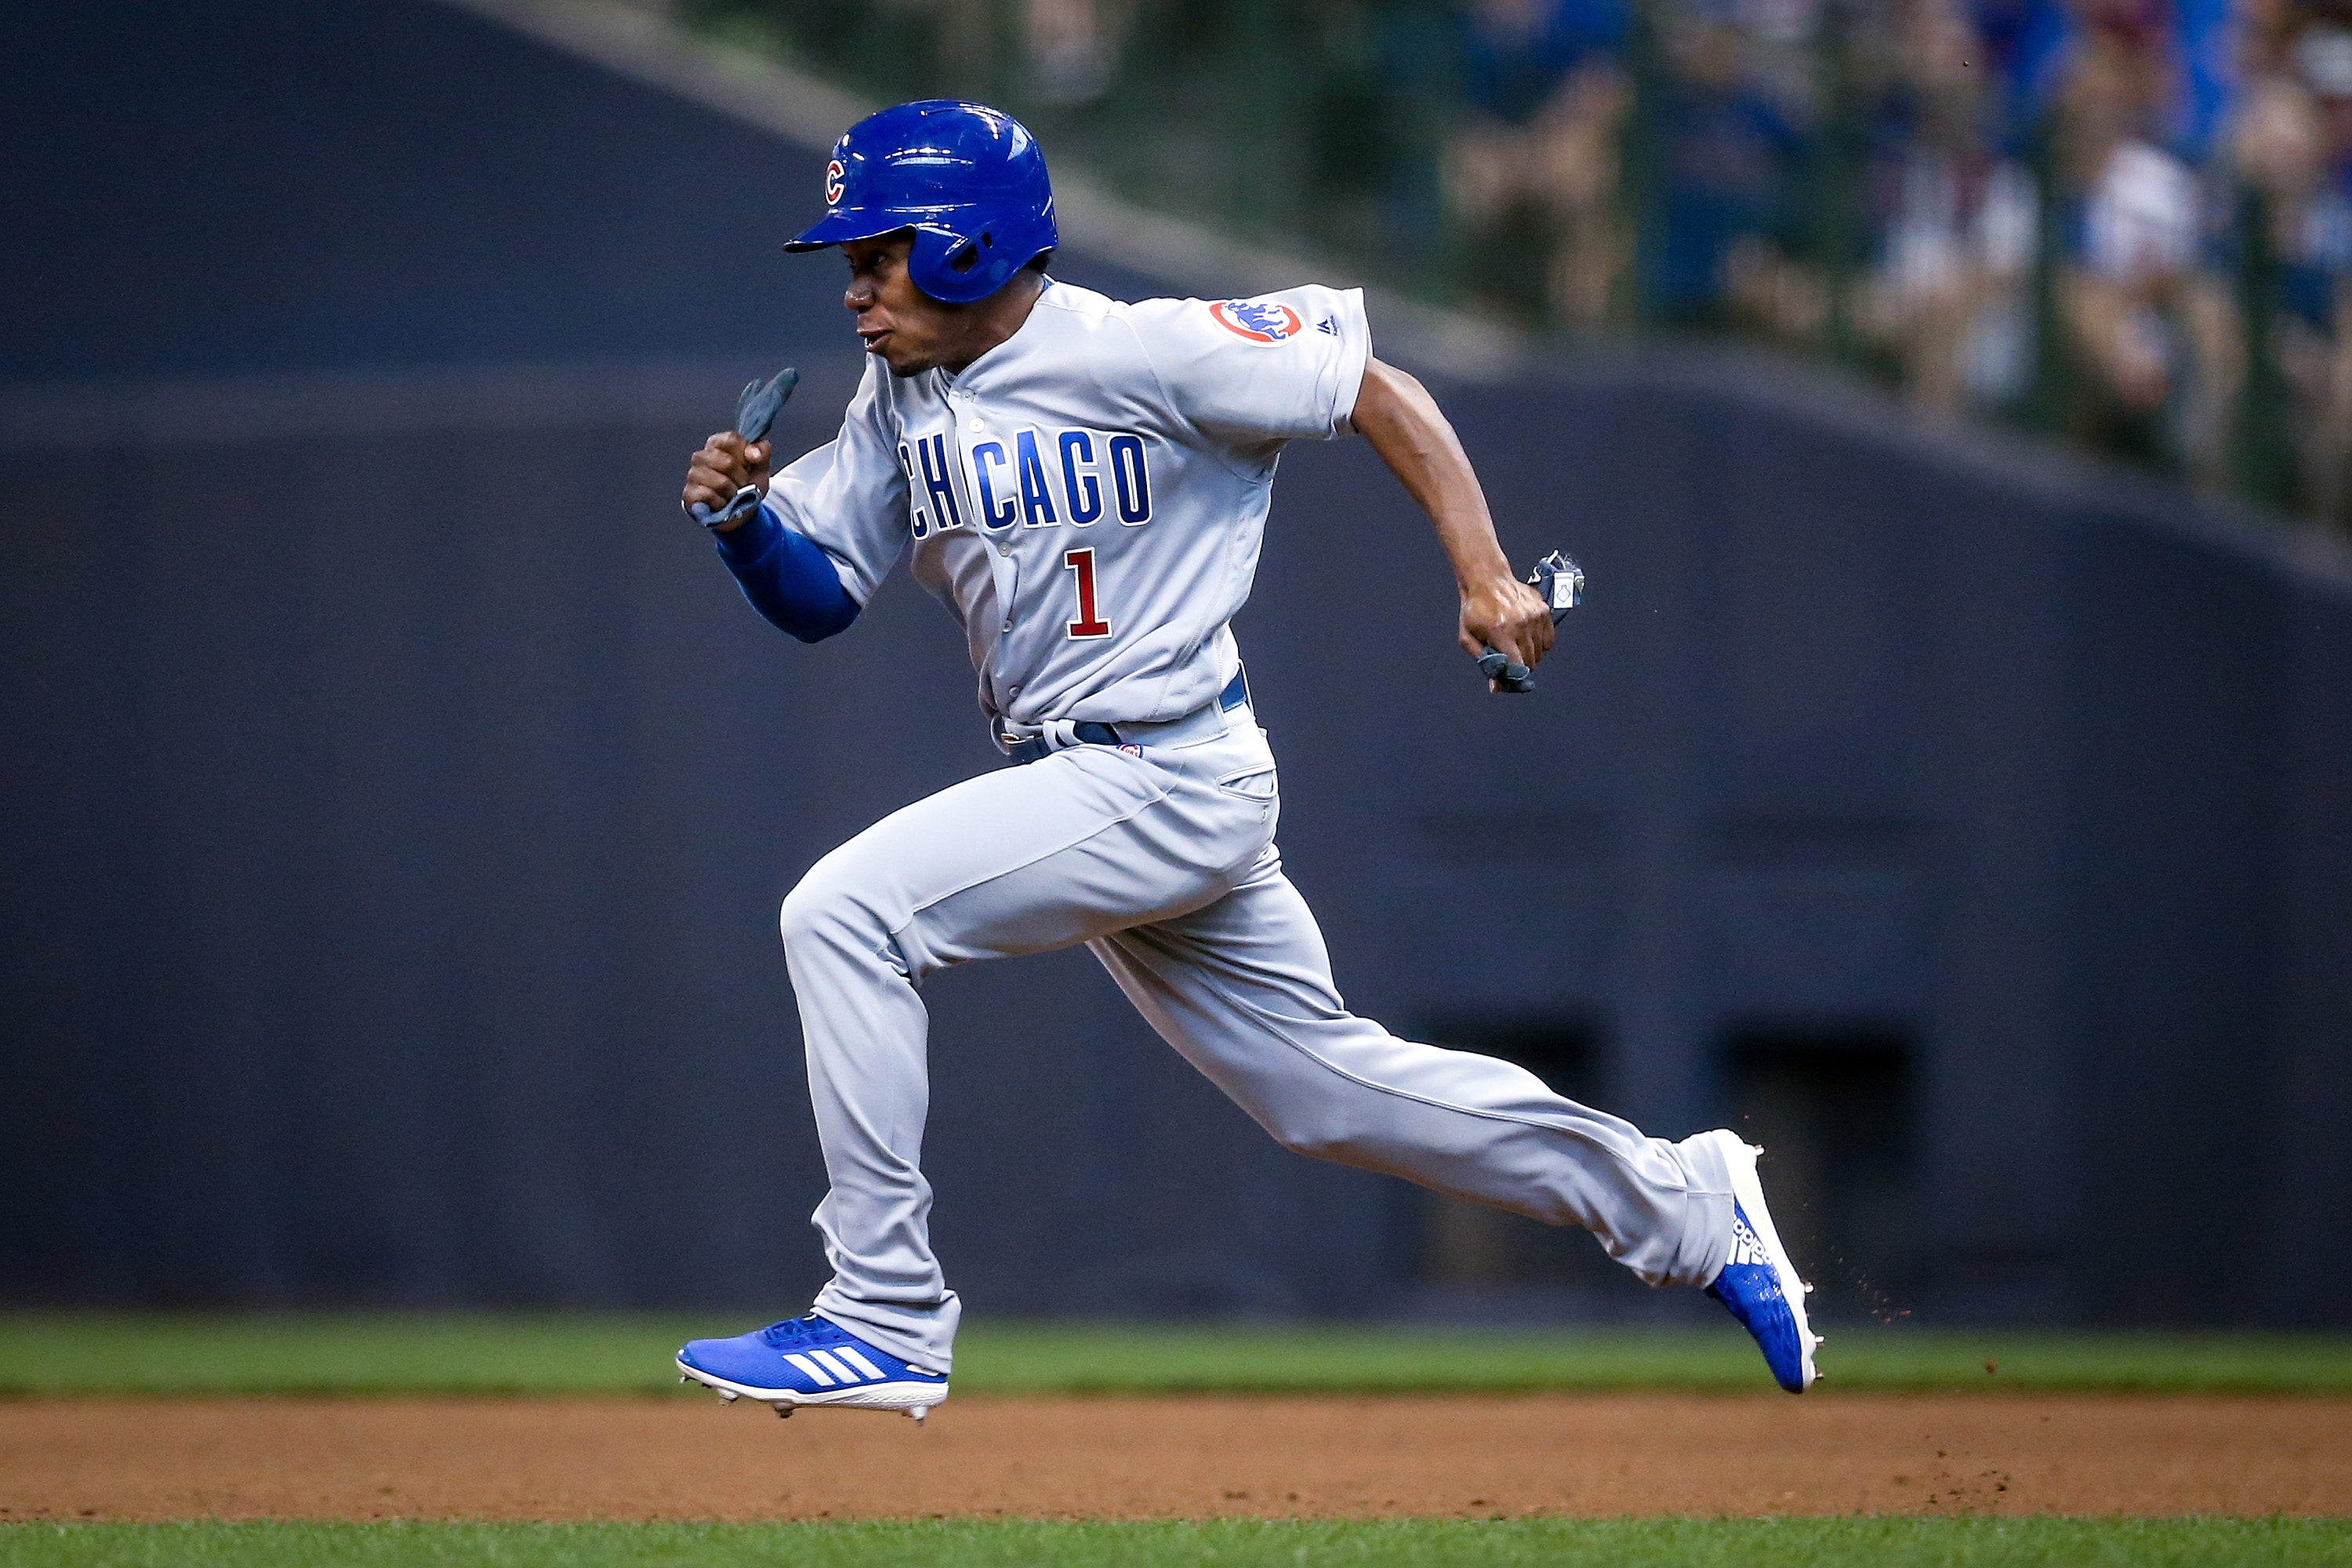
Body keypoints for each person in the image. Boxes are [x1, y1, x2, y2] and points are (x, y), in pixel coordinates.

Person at [670, 100, 1820, 1421]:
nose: (857, 286)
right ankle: (1687, 1207)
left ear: (972, 243)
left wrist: (1484, 570)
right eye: (849, 260)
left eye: (879, 251)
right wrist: (750, 525)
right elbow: (822, 597)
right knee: (1327, 1095)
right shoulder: (899, 397)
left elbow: (1374, 385)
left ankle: (880, 1314)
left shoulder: (1143, 350)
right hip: (1103, 782)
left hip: (1163, 769)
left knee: (845, 913)